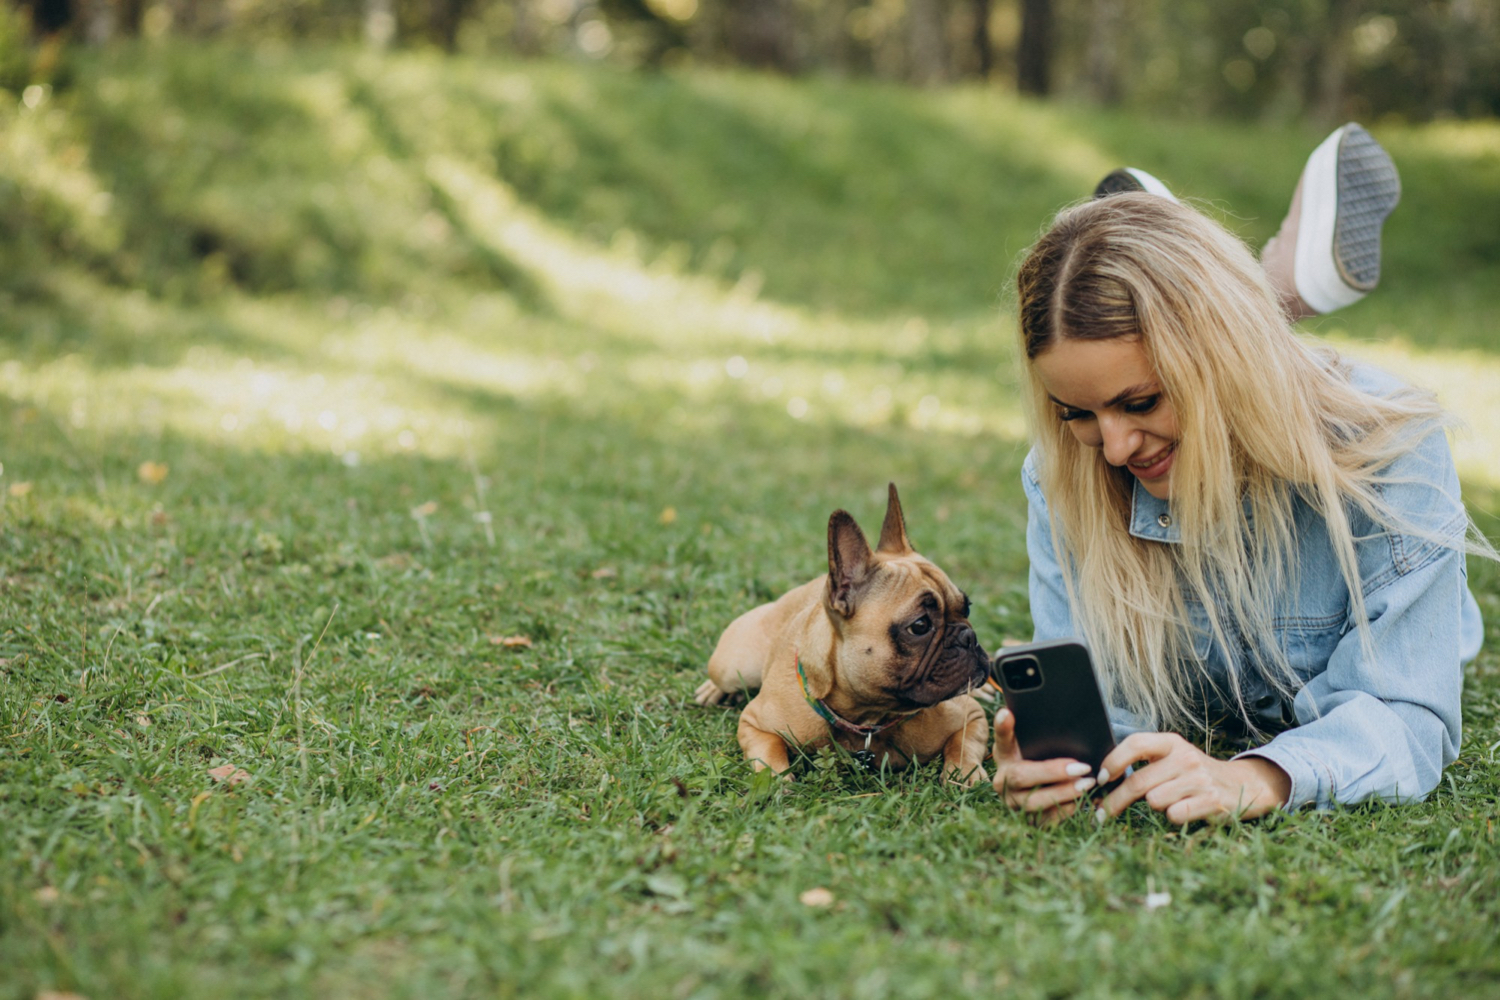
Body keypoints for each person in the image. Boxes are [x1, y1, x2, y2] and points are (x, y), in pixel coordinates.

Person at [991, 124, 1490, 823]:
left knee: (1251, 367)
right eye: (1075, 411)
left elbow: (1408, 714)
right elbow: (1107, 712)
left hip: (1295, 418)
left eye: (1140, 402)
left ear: (1217, 364)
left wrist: (1258, 777)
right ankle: (1267, 275)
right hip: (1235, 354)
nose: (1110, 449)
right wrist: (1061, 769)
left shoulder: (1390, 449)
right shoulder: (1064, 473)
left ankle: (1235, 270)